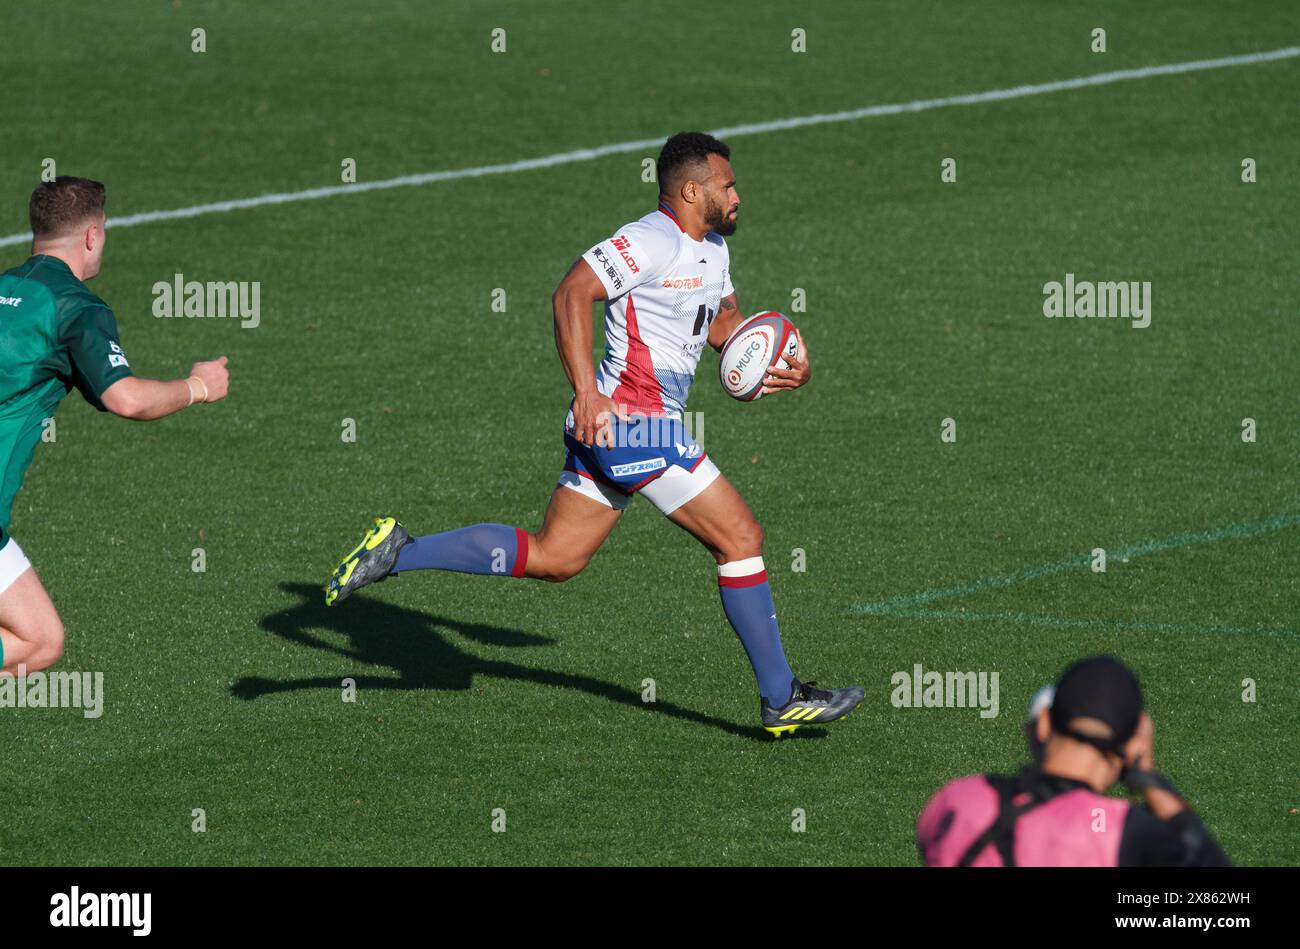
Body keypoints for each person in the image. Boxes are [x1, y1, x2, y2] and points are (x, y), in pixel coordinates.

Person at [324, 132, 863, 736]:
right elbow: (572, 292)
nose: (737, 195)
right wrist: (587, 391)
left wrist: (779, 359)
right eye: (727, 185)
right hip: (630, 423)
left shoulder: (711, 248)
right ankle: (780, 697)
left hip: (621, 428)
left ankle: (399, 550)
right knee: (740, 536)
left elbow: (724, 325)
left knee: (557, 557)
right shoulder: (649, 241)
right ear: (691, 190)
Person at [0, 177, 230, 676]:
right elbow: (125, 398)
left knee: (41, 640)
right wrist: (198, 386)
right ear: (92, 235)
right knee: (37, 640)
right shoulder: (76, 308)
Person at [917, 656, 1231, 865]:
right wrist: (1150, 780)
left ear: (1042, 724)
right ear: (1133, 743)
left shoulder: (956, 799)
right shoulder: (1123, 832)